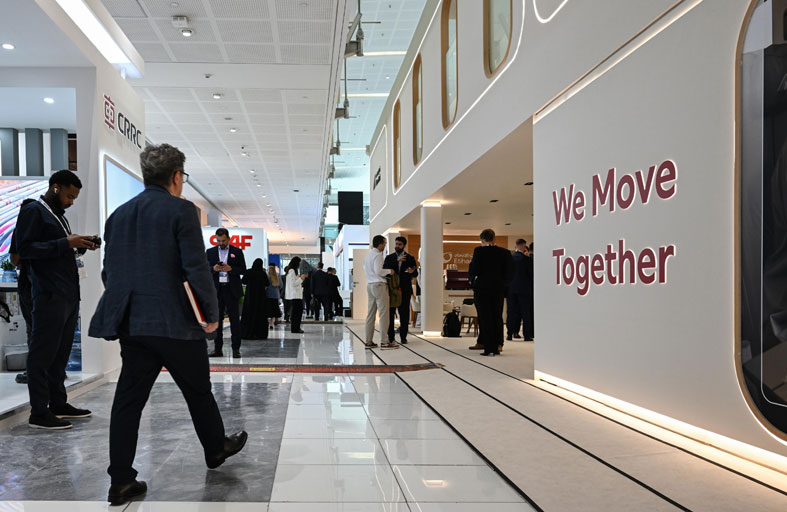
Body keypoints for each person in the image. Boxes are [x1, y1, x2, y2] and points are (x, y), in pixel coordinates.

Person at [89, 144, 247, 506]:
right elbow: (196, 267)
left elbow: (109, 272)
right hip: (175, 322)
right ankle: (215, 448)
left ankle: (121, 481)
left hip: (133, 324)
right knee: (197, 389)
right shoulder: (181, 210)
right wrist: (211, 314)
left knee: (128, 401)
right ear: (177, 176)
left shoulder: (118, 215)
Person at [17, 170, 99, 430]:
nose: (71, 202)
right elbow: (24, 250)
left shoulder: (58, 216)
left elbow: (57, 248)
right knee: (42, 354)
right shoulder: (33, 210)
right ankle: (39, 412)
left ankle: (58, 403)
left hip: (67, 294)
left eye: (74, 198)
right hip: (48, 293)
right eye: (69, 196)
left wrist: (78, 245)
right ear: (55, 187)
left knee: (60, 354)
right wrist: (65, 243)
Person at [468, 229, 514, 356]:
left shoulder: (479, 251)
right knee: (497, 316)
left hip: (482, 289)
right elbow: (510, 271)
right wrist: (504, 284)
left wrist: (472, 281)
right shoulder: (504, 252)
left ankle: (487, 345)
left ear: (482, 240)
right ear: (494, 239)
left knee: (484, 317)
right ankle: (498, 344)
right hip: (498, 289)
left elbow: (474, 268)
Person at [207, 228, 247, 359]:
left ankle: (236, 349)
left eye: (223, 240)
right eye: (219, 241)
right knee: (217, 321)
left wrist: (231, 269)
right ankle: (217, 349)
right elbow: (204, 269)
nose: (221, 243)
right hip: (217, 291)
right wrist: (213, 269)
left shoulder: (237, 251)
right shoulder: (210, 252)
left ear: (228, 239)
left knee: (234, 321)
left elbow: (243, 270)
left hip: (231, 290)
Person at [9, 198, 35, 385]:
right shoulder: (45, 228)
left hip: (29, 283)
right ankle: (52, 370)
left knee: (33, 328)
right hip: (49, 285)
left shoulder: (20, 230)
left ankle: (34, 371)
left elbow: (14, 259)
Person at [384, 236, 418, 344]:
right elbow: (385, 269)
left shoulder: (410, 258)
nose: (397, 246)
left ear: (404, 246)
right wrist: (397, 260)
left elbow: (415, 273)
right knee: (390, 313)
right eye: (396, 244)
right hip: (392, 289)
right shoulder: (389, 258)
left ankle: (403, 337)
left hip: (405, 289)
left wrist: (412, 271)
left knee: (404, 314)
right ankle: (391, 337)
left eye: (399, 244)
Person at [364, 235, 395, 349]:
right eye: (384, 243)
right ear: (380, 244)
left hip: (370, 285)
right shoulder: (378, 255)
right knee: (383, 314)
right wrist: (389, 271)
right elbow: (378, 271)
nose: (385, 246)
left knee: (370, 315)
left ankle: (368, 341)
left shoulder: (368, 256)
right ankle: (384, 341)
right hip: (379, 285)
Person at [506, 239, 531, 341]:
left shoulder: (509, 259)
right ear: (523, 246)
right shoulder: (527, 259)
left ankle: (509, 334)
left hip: (511, 289)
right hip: (524, 289)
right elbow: (530, 275)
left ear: (516, 246)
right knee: (525, 313)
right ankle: (527, 335)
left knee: (511, 312)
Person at [241, 258, 269, 340]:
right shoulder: (262, 273)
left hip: (250, 296)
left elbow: (243, 281)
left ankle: (247, 333)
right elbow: (267, 283)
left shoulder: (249, 272)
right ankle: (259, 334)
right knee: (260, 314)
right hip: (260, 297)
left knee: (249, 314)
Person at [284, 257, 306, 333]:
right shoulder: (292, 271)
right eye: (299, 263)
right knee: (296, 314)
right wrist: (301, 278)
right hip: (295, 296)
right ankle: (295, 328)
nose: (300, 264)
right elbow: (293, 283)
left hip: (296, 296)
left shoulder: (293, 271)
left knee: (297, 313)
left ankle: (296, 328)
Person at [266, 264, 282, 328]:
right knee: (274, 310)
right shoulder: (277, 275)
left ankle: (267, 322)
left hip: (268, 295)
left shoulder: (267, 276)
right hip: (276, 295)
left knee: (268, 309)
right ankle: (272, 323)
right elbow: (281, 285)